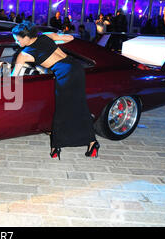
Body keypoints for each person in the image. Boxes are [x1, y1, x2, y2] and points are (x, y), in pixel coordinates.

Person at [10, 22, 99, 160]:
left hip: (65, 74)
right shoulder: (45, 36)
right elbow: (70, 39)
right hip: (76, 67)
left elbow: (14, 76)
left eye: (18, 39)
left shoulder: (24, 54)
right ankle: (93, 144)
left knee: (62, 110)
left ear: (26, 37)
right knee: (80, 105)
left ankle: (56, 147)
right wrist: (56, 38)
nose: (16, 42)